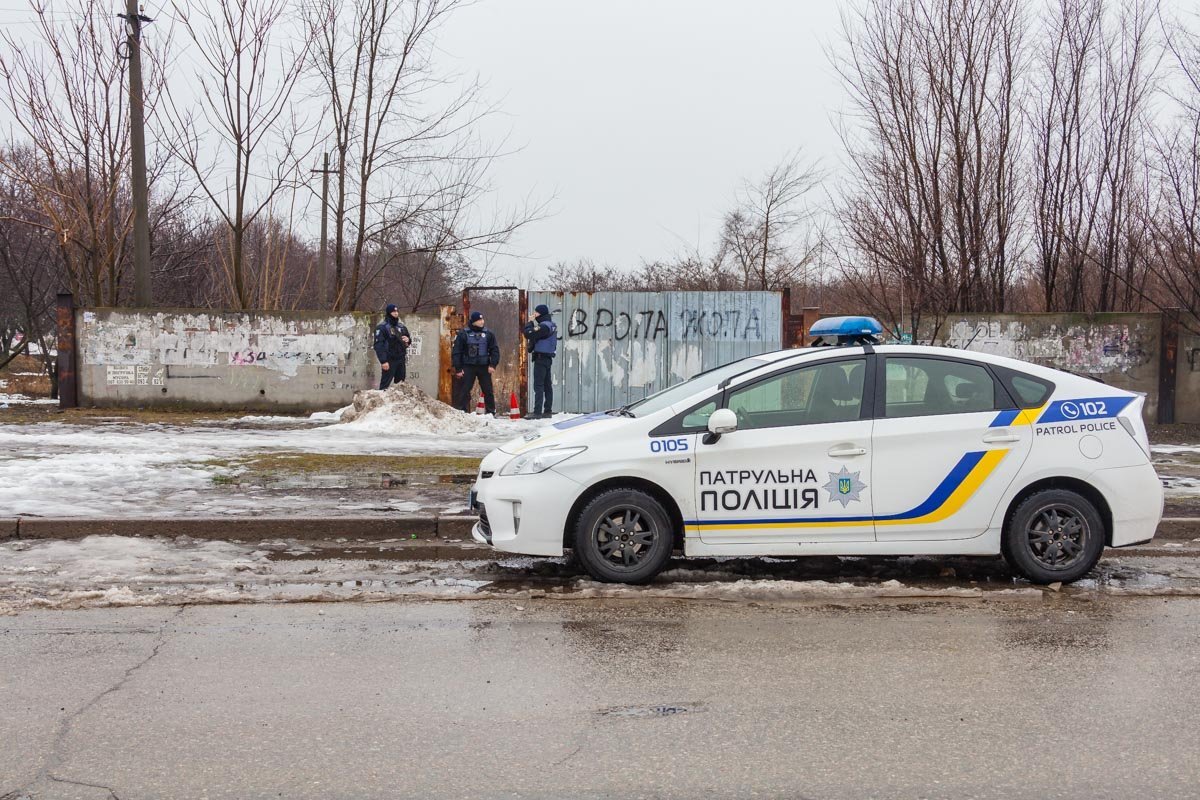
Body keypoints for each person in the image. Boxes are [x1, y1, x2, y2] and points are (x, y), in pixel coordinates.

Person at [452, 310, 500, 415]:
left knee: (488, 390)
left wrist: (493, 365)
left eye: (482, 319)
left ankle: (491, 412)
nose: (482, 322)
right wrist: (458, 368)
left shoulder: (488, 334)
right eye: (479, 320)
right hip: (468, 366)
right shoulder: (463, 334)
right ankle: (461, 411)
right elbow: (457, 352)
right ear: (473, 321)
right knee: (464, 390)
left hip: (484, 366)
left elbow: (495, 350)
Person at [523, 303, 557, 419]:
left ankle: (537, 412)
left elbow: (528, 334)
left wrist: (530, 322)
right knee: (547, 386)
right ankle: (547, 411)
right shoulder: (551, 325)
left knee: (538, 385)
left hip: (541, 358)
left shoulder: (543, 326)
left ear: (541, 313)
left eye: (536, 312)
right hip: (547, 358)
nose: (534, 314)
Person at [373, 303, 411, 390]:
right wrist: (383, 361)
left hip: (401, 359)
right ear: (389, 313)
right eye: (393, 312)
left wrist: (408, 340)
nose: (396, 313)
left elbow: (408, 340)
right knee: (385, 385)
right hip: (389, 359)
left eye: (397, 311)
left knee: (400, 385)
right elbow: (379, 345)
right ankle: (382, 399)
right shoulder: (382, 327)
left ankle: (399, 399)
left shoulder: (401, 327)